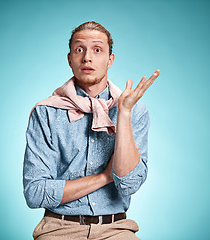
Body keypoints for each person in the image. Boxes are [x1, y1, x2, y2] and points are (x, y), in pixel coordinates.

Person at [23, 21, 160, 240]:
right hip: (59, 229)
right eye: (79, 49)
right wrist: (105, 177)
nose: (87, 57)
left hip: (116, 229)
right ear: (70, 59)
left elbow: (128, 183)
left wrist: (123, 113)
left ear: (110, 60)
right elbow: (35, 193)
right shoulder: (46, 113)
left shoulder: (135, 111)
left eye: (97, 50)